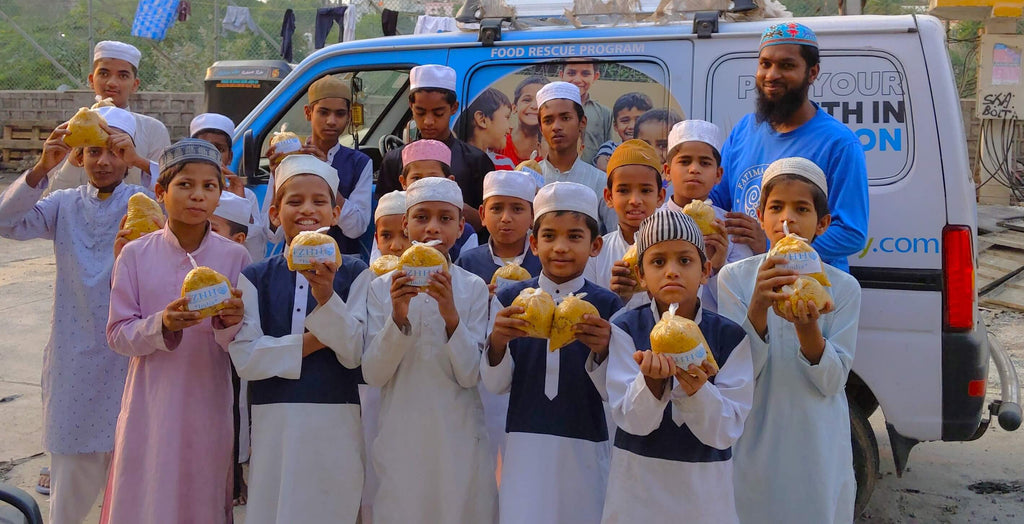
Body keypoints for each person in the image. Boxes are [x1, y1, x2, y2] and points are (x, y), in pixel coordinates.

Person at [0, 108, 152, 524]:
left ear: (128, 155)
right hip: (75, 362)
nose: (103, 161)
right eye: (91, 151)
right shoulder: (63, 204)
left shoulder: (149, 204)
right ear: (78, 157)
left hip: (131, 360)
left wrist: (144, 165)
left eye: (114, 152)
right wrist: (41, 168)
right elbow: (6, 221)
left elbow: (192, 211)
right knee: (68, 496)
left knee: (134, 485)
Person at [103, 139, 250, 524]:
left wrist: (229, 321)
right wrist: (161, 325)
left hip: (208, 397)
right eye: (185, 185)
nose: (197, 195)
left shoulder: (235, 257)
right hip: (150, 402)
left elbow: (246, 339)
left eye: (209, 186)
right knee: (148, 489)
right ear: (160, 192)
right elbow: (118, 333)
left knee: (201, 487)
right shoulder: (135, 254)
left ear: (220, 195)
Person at [718, 157, 861, 523]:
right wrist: (759, 307)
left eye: (802, 209)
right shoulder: (734, 278)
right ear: (760, 216)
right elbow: (735, 376)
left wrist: (807, 328)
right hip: (755, 441)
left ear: (822, 223)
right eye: (776, 208)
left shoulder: (842, 288)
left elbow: (832, 381)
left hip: (815, 441)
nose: (788, 220)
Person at [229, 154, 371, 523]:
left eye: (319, 201)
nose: (307, 210)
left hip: (337, 416)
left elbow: (355, 353)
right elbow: (246, 359)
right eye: (295, 201)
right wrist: (318, 338)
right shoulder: (256, 275)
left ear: (335, 213)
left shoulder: (356, 271)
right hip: (272, 418)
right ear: (274, 213)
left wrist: (326, 296)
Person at [484, 181, 626, 524]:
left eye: (574, 237)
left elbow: (616, 391)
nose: (560, 247)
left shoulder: (609, 306)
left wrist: (605, 350)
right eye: (549, 237)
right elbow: (495, 384)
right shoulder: (510, 300)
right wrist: (499, 343)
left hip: (587, 441)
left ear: (595, 246)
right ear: (534, 243)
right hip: (524, 441)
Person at [602, 210, 754, 523]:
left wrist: (698, 390)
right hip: (638, 486)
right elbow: (629, 419)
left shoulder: (730, 336)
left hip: (703, 490)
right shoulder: (625, 329)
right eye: (658, 262)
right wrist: (652, 384)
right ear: (641, 276)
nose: (672, 271)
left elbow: (727, 430)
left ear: (706, 271)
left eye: (685, 261)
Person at [363, 177, 497, 522]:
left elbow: (470, 376)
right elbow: (373, 373)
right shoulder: (381, 288)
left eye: (445, 218)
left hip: (457, 435)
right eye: (421, 218)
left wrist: (450, 314)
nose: (432, 228)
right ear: (405, 224)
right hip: (401, 435)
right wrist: (398, 316)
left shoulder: (472, 289)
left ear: (461, 226)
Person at [710, 22, 869, 272]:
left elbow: (850, 233)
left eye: (786, 66)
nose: (772, 75)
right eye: (765, 64)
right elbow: (718, 198)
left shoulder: (838, 143)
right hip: (746, 286)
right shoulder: (744, 129)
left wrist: (773, 246)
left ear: (812, 72)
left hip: (808, 292)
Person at [454, 169, 541, 469]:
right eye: (496, 208)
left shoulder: (543, 262)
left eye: (517, 209)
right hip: (480, 373)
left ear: (532, 216)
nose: (506, 218)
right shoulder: (469, 262)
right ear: (482, 213)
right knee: (483, 457)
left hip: (531, 368)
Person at [375, 64, 494, 232]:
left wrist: (458, 209)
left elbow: (490, 223)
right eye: (421, 113)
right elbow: (383, 220)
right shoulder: (395, 160)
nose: (428, 121)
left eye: (438, 113)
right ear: (411, 106)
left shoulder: (475, 160)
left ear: (454, 108)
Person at [268, 75, 373, 257]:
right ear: (308, 113)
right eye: (323, 112)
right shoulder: (290, 159)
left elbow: (356, 227)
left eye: (339, 114)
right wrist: (277, 175)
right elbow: (272, 233)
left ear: (349, 117)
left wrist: (327, 173)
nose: (331, 121)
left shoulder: (360, 163)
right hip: (294, 261)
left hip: (341, 264)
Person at [47, 41, 170, 194]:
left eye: (123, 76)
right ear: (92, 80)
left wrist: (135, 160)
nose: (112, 83)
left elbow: (167, 189)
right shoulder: (68, 131)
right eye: (104, 74)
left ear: (135, 84)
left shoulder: (153, 130)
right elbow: (50, 197)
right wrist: (74, 155)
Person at [663, 120, 753, 311]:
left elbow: (744, 302)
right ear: (667, 171)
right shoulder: (653, 222)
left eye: (705, 163)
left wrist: (719, 266)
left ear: (719, 175)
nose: (694, 169)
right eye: (685, 161)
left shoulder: (731, 228)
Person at [208, 190, 255, 506]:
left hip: (232, 365)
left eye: (213, 229)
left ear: (238, 239)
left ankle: (236, 483)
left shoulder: (244, 269)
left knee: (234, 420)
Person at [587, 140, 665, 309]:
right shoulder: (596, 254)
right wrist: (616, 300)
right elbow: (588, 316)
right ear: (608, 197)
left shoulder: (675, 250)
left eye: (645, 190)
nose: (635, 201)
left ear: (660, 197)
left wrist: (659, 293)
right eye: (623, 190)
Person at [535, 81, 618, 234]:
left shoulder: (600, 181)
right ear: (541, 127)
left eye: (565, 118)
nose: (556, 127)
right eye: (548, 120)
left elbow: (615, 237)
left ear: (582, 122)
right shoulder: (527, 177)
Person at [190, 113, 267, 263]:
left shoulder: (247, 196)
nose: (212, 155)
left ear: (230, 157)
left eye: (219, 149)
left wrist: (240, 204)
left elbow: (257, 255)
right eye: (204, 148)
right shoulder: (181, 193)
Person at [390, 139, 479, 260]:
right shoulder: (389, 219)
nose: (432, 228)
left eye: (445, 218)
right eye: (417, 178)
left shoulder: (465, 232)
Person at [559, 59, 612, 165]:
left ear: (595, 76)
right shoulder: (550, 110)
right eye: (571, 73)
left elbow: (606, 150)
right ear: (561, 75)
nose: (578, 79)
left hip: (592, 179)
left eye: (585, 73)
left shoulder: (604, 113)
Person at [593, 92, 654, 171]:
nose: (632, 126)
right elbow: (603, 167)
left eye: (639, 120)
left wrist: (617, 163)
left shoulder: (652, 148)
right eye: (625, 121)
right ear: (615, 126)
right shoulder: (610, 147)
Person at [458, 88, 516, 170]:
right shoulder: (504, 166)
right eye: (507, 117)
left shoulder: (506, 165)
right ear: (482, 120)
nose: (510, 126)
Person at [502, 75, 548, 166]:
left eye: (541, 101)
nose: (534, 106)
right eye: (527, 100)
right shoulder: (498, 141)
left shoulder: (551, 149)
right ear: (514, 107)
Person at [372, 190, 412, 259]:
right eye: (386, 236)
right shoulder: (370, 270)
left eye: (406, 235)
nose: (395, 247)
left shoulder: (434, 269)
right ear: (377, 240)